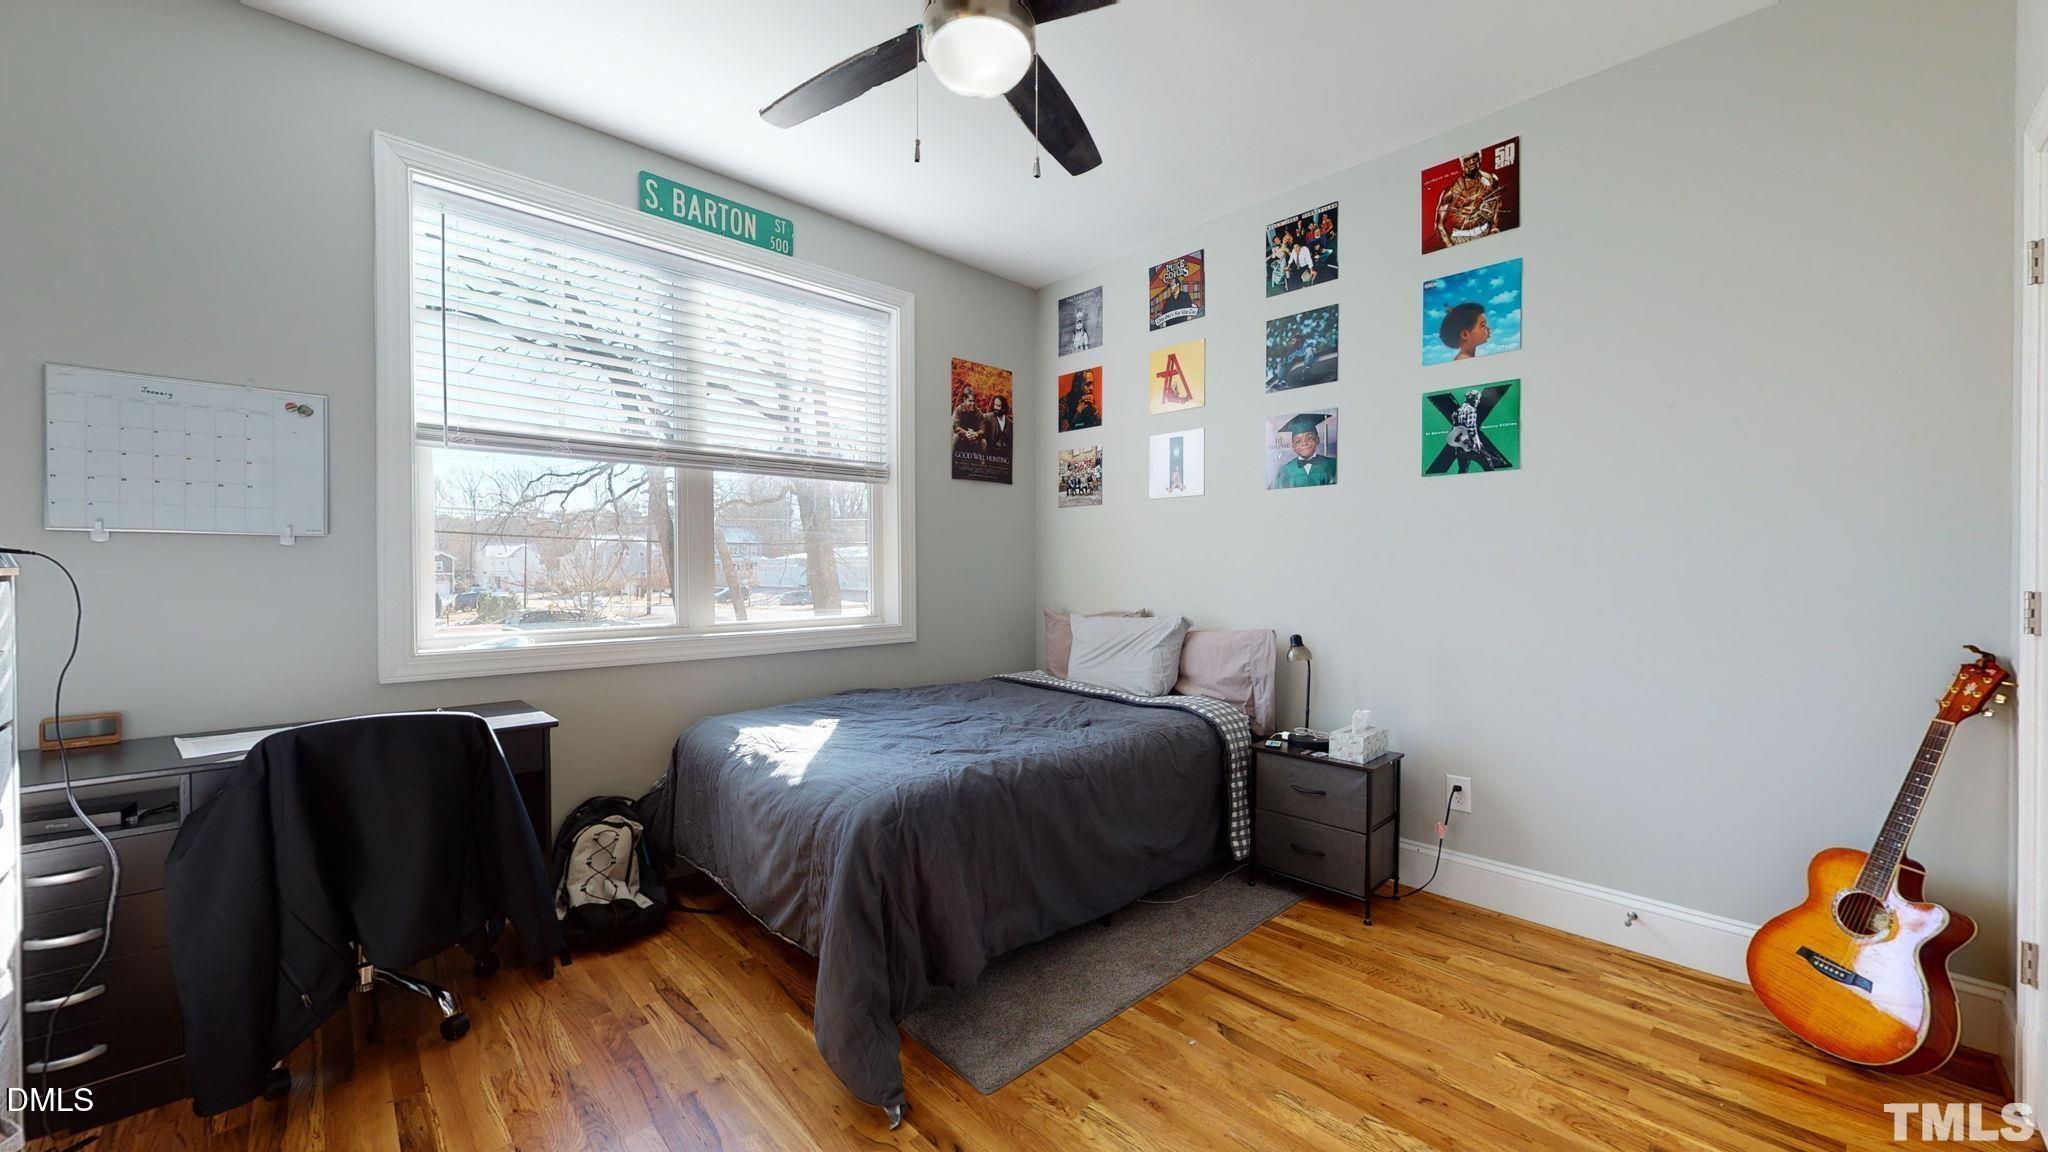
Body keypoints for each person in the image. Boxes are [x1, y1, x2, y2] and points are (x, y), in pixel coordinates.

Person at [1435, 152, 1503, 248]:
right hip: (1460, 238)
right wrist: (1450, 246)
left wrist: (1494, 227)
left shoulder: (1490, 180)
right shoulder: (1450, 191)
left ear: (1480, 158)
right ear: (1461, 163)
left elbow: (1498, 202)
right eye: (1467, 160)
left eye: (1474, 157)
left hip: (1485, 231)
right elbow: (1439, 224)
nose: (1471, 162)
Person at [1272, 413, 1337, 487]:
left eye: (1309, 438)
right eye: (1298, 441)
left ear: (1317, 440)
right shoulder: (1285, 471)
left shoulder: (1332, 464)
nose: (1304, 443)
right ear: (1293, 447)